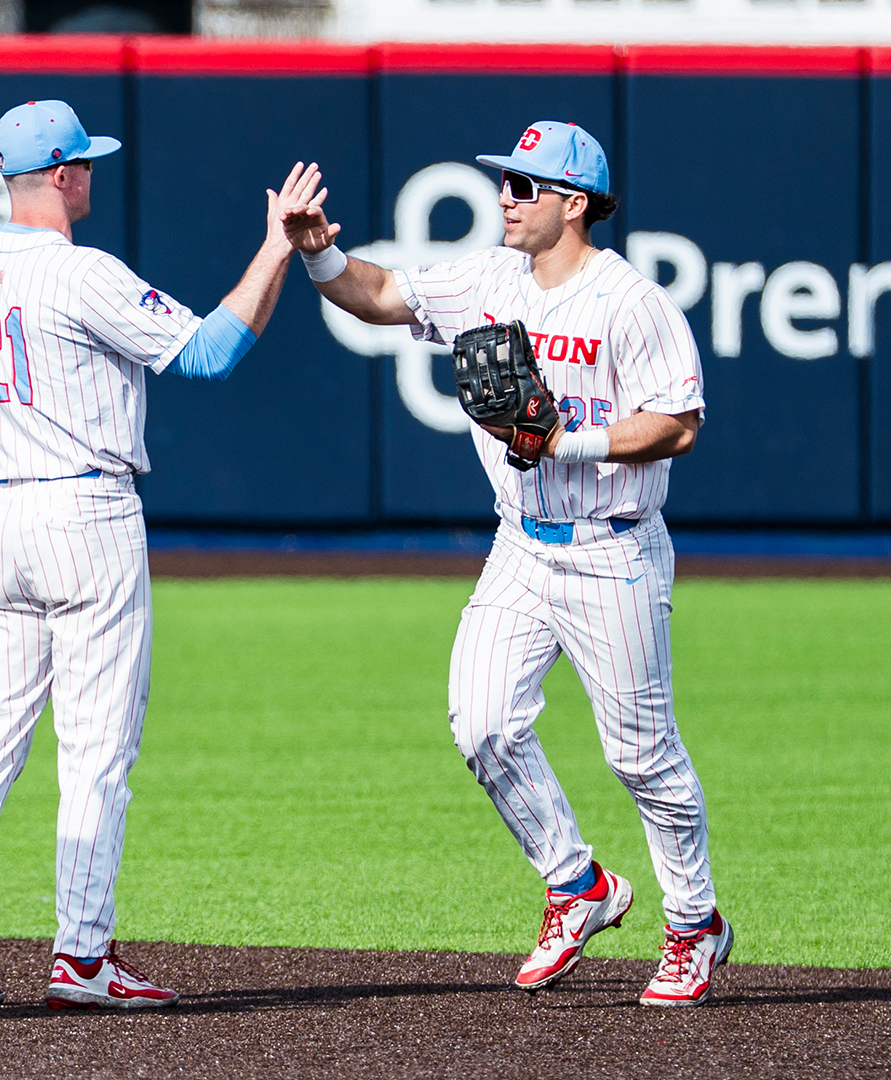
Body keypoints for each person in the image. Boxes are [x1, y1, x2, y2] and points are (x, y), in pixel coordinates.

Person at [283, 122, 730, 1007]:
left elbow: (679, 423)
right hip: (521, 544)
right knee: (482, 723)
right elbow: (378, 296)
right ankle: (578, 885)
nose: (505, 198)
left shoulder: (631, 303)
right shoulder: (486, 278)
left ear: (574, 203)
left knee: (642, 756)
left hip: (614, 549)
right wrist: (320, 257)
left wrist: (571, 438)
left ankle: (695, 924)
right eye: (505, 182)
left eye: (525, 187)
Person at [0, 99, 318, 1011]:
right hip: (85, 514)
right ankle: (82, 958)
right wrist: (277, 247)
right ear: (59, 173)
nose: (92, 173)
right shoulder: (81, 273)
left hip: (0, 514)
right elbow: (209, 354)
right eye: (83, 162)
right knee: (94, 750)